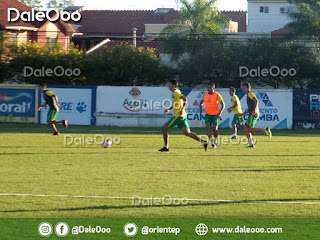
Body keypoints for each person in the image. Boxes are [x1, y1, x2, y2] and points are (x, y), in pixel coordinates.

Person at [159, 80, 208, 152]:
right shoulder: (175, 92)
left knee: (164, 129)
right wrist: (169, 109)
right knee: (187, 133)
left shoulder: (176, 92)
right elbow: (176, 103)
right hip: (182, 116)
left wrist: (182, 109)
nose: (169, 86)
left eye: (170, 84)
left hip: (178, 116)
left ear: (174, 86)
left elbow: (185, 99)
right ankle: (204, 142)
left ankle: (166, 147)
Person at [239, 83, 272, 148]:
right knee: (246, 129)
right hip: (251, 114)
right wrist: (242, 114)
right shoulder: (248, 95)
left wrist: (255, 110)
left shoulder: (250, 94)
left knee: (249, 129)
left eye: (244, 88)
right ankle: (251, 144)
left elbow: (256, 101)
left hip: (253, 114)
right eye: (243, 88)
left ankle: (265, 130)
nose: (243, 89)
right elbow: (249, 108)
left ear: (249, 88)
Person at [199, 83, 225, 149]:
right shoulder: (205, 94)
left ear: (213, 88)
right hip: (207, 114)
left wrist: (220, 113)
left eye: (210, 88)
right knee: (207, 127)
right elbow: (201, 102)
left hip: (215, 114)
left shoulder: (217, 95)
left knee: (215, 128)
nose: (209, 89)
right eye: (208, 87)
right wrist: (201, 106)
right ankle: (212, 142)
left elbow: (223, 105)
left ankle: (215, 139)